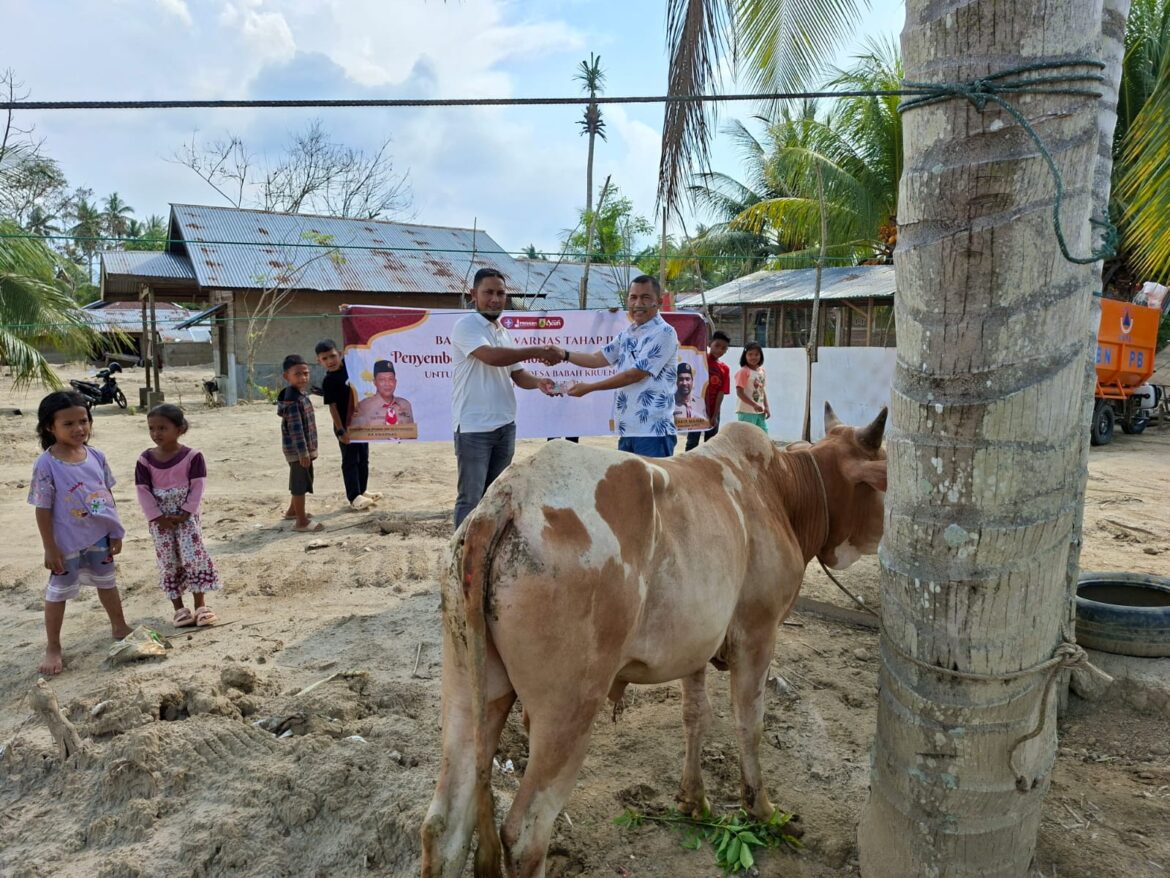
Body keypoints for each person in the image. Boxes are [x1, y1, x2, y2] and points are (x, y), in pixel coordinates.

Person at [28, 390, 131, 675]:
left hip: (99, 536)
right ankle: (53, 646)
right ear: (50, 427)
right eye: (69, 424)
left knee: (107, 582)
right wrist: (50, 547)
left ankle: (119, 626)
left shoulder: (96, 456)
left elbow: (106, 495)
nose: (79, 428)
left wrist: (115, 530)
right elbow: (42, 508)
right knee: (58, 592)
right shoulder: (46, 464)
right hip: (66, 543)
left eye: (83, 421)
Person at [451, 268, 561, 527]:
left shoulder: (502, 331)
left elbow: (517, 374)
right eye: (488, 292)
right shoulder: (466, 326)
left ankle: (488, 549)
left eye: (500, 293)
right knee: (471, 499)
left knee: (495, 498)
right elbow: (491, 357)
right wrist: (537, 350)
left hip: (505, 427)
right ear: (473, 294)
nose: (495, 299)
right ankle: (461, 550)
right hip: (474, 428)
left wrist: (539, 382)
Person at [561, 275, 680, 457]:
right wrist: (563, 354)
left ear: (658, 301)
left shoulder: (664, 332)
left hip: (653, 431)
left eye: (645, 297)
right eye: (633, 297)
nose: (638, 303)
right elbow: (597, 358)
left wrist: (590, 387)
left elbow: (634, 374)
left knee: (649, 478)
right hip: (628, 429)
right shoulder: (628, 333)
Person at [135, 404, 222, 628]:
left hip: (187, 520)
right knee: (168, 561)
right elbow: (143, 491)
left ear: (179, 429)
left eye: (162, 428)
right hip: (160, 523)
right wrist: (158, 517)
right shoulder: (145, 459)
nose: (156, 433)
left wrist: (186, 513)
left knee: (193, 557)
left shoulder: (193, 456)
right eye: (152, 428)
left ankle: (201, 606)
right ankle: (179, 610)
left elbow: (198, 486)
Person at [316, 339, 381, 511]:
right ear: (319, 361)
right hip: (345, 426)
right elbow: (333, 407)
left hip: (361, 422)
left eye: (332, 356)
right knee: (350, 460)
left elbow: (356, 347)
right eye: (324, 358)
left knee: (363, 458)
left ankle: (362, 490)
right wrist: (340, 430)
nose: (330, 361)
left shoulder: (350, 367)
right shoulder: (329, 381)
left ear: (339, 354)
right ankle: (354, 496)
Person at [277, 354, 324, 532]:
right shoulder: (293, 401)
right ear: (286, 376)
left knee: (301, 480)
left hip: (301, 449)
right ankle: (301, 521)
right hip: (298, 451)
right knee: (299, 485)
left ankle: (292, 512)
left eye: (306, 373)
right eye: (297, 374)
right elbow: (296, 430)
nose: (303, 377)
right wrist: (303, 453)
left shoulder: (300, 394)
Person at [685, 330, 731, 451]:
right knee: (692, 442)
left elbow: (721, 393)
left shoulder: (725, 369)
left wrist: (715, 415)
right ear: (710, 344)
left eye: (724, 348)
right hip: (696, 409)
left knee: (710, 444)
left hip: (713, 411)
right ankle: (689, 463)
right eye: (717, 346)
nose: (719, 350)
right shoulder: (700, 360)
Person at [350, 359, 415, 428]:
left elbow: (411, 433)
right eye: (382, 379)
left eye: (390, 379)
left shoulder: (405, 405)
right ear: (374, 382)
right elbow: (356, 434)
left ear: (395, 382)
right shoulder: (363, 407)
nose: (387, 384)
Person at [735, 341, 770, 431]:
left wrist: (766, 407)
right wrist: (754, 405)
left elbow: (762, 391)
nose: (753, 357)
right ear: (745, 356)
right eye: (750, 354)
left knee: (763, 435)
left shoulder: (761, 371)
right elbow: (739, 393)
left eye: (756, 354)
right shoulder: (743, 371)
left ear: (761, 355)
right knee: (747, 436)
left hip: (760, 411)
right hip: (747, 411)